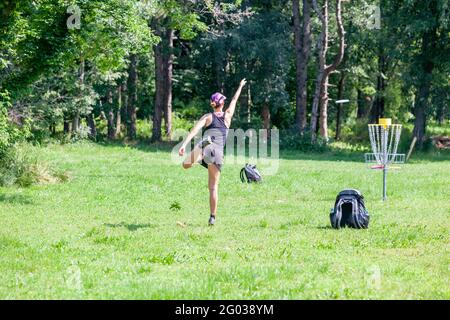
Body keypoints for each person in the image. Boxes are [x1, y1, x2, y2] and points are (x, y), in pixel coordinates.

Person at [179, 79, 247, 225]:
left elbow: (194, 131)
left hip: (207, 149)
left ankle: (200, 149)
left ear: (213, 104)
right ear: (222, 104)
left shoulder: (207, 117)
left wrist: (184, 144)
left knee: (185, 165)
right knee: (213, 187)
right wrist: (240, 85)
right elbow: (235, 99)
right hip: (218, 154)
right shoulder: (227, 116)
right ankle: (212, 217)